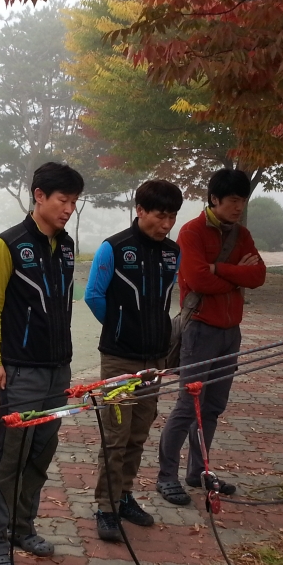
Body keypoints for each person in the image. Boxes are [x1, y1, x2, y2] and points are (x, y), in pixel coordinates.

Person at [0, 162, 84, 565]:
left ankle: (23, 527)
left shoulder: (67, 246)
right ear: (39, 196)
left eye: (74, 202)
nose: (68, 209)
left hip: (58, 370)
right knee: (11, 457)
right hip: (21, 371)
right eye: (62, 200)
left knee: (41, 453)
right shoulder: (9, 244)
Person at [156, 169, 266, 506]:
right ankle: (166, 476)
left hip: (231, 333)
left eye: (243, 200)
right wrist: (236, 274)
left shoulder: (242, 234)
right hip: (200, 330)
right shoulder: (191, 232)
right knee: (188, 406)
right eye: (233, 200)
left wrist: (220, 269)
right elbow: (198, 280)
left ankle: (198, 471)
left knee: (213, 407)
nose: (239, 207)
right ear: (214, 199)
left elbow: (258, 275)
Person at [84, 180, 183, 541]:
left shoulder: (173, 252)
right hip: (119, 359)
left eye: (172, 216)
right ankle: (106, 507)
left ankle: (124, 496)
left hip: (154, 360)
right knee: (115, 435)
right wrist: (122, 329)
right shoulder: (114, 248)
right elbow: (94, 295)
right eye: (160, 215)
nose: (166, 224)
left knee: (138, 434)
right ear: (140, 210)